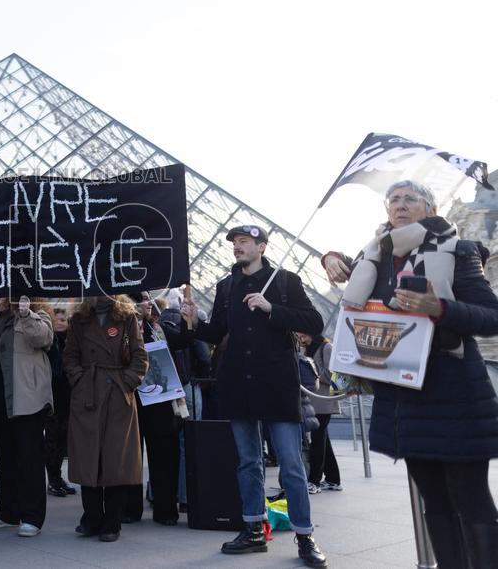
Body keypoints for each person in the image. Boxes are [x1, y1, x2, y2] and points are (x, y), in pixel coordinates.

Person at [322, 180, 498, 568]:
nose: (400, 205)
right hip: (404, 395)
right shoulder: (377, 254)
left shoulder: (458, 250)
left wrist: (440, 307)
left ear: (430, 209)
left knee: (471, 500)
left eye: (410, 199)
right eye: (393, 200)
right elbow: (351, 279)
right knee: (434, 502)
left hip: (454, 394)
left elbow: (491, 317)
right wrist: (330, 259)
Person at [180, 225, 327, 567]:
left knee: (291, 464)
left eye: (244, 242)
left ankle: (305, 536)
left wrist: (270, 307)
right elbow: (217, 331)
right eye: (234, 242)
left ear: (261, 246)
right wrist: (192, 324)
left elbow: (314, 321)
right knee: (248, 462)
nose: (237, 247)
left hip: (277, 384)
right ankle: (253, 529)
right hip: (238, 383)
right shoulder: (226, 285)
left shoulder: (285, 280)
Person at [62, 295, 148, 542]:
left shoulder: (126, 316)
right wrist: (79, 380)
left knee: (116, 460)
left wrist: (127, 383)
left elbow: (139, 356)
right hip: (88, 394)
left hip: (118, 396)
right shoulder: (79, 318)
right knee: (88, 457)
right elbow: (70, 355)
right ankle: (91, 518)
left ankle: (112, 522)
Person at [0, 296, 55, 538]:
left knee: (30, 459)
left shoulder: (37, 314)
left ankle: (33, 516)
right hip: (3, 400)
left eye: (4, 294)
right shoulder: (0, 320)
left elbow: (44, 338)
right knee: (6, 458)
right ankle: (8, 512)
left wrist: (26, 314)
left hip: (28, 401)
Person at [126, 292, 185, 526]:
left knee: (164, 455)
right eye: (142, 300)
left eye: (149, 299)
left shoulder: (157, 328)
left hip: (159, 399)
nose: (149, 303)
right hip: (130, 398)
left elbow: (183, 340)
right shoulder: (121, 328)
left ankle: (166, 508)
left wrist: (191, 322)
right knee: (130, 456)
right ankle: (129, 508)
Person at [296, 332, 341, 494]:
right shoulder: (305, 350)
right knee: (323, 441)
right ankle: (333, 479)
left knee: (317, 441)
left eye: (302, 333)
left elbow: (331, 375)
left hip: (324, 402)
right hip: (313, 402)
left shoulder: (326, 348)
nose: (300, 337)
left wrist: (311, 373)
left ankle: (314, 480)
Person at [44, 307, 76, 497]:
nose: (60, 322)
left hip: (68, 396)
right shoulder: (49, 341)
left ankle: (58, 478)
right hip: (52, 396)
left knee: (63, 440)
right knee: (52, 440)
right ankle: (53, 479)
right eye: (56, 319)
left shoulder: (71, 342)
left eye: (63, 319)